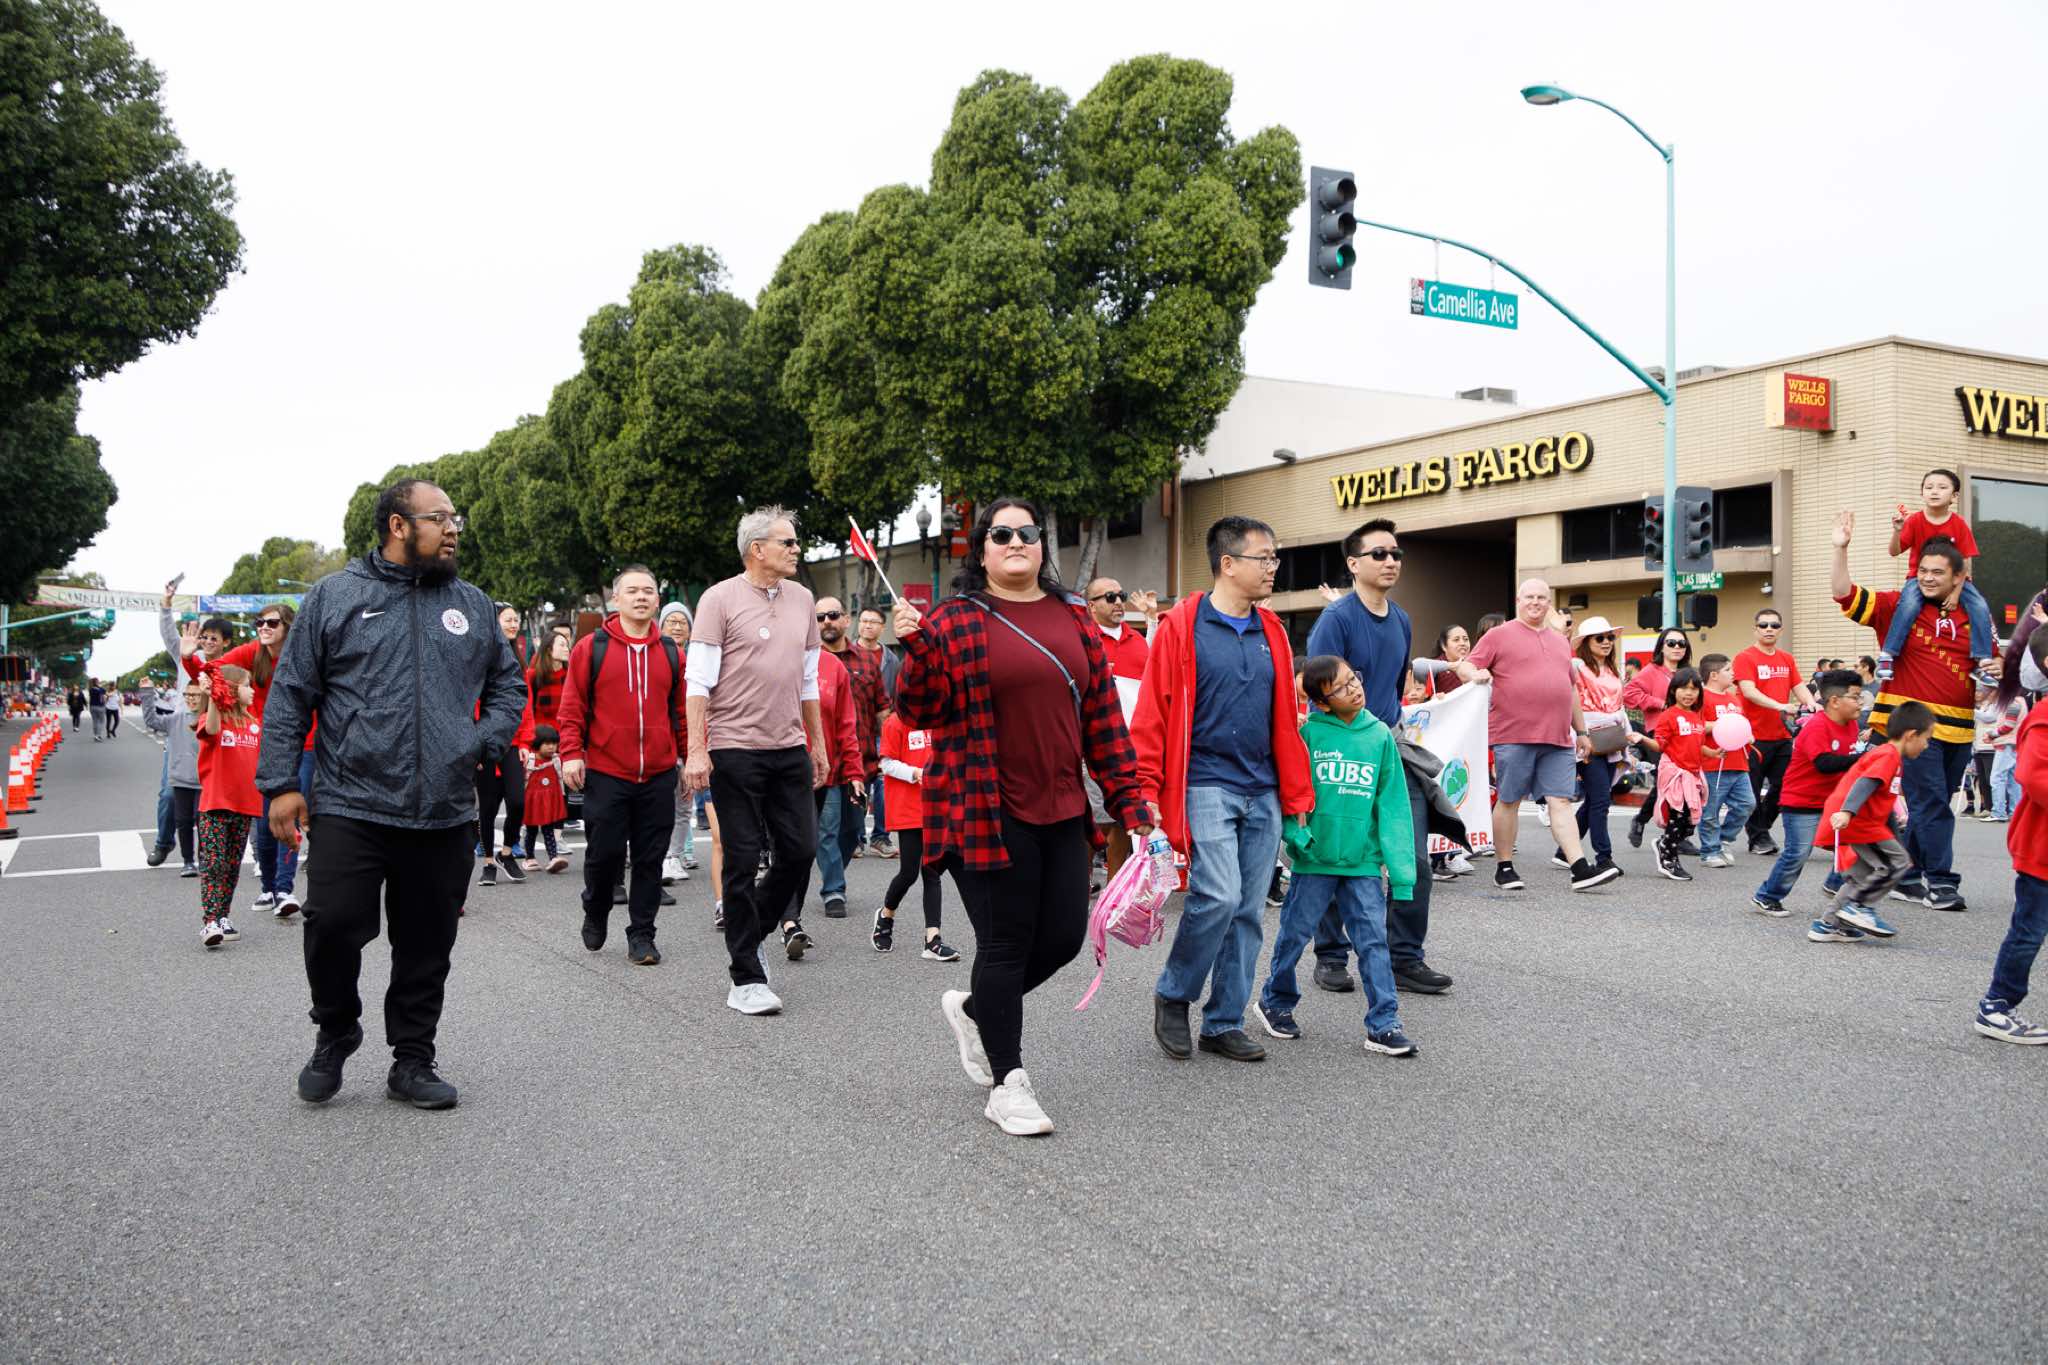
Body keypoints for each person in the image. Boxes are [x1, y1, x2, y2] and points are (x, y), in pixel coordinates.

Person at [261, 477, 527, 1110]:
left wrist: (479, 742)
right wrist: (280, 784)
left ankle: (412, 1059)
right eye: (440, 518)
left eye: (455, 518)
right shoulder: (335, 596)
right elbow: (292, 692)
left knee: (427, 944)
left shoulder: (472, 604)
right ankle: (336, 1028)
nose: (453, 529)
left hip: (442, 809)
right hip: (351, 801)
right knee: (331, 923)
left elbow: (508, 686)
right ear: (399, 526)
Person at [894, 497, 1151, 1134]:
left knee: (1064, 938)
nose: (1016, 541)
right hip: (982, 806)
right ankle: (1008, 1083)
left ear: (1042, 546)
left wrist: (1130, 801)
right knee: (1005, 943)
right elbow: (919, 710)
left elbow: (1103, 719)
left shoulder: (1073, 615)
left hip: (1062, 804)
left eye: (1027, 532)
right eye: (1001, 533)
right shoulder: (952, 619)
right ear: (981, 549)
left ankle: (977, 1009)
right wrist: (916, 649)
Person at [1135, 515, 1313, 1064]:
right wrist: (1144, 787)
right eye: (1265, 557)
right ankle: (1174, 994)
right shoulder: (1181, 626)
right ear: (1228, 563)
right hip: (1205, 782)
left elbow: (1285, 719)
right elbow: (1153, 710)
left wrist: (1296, 796)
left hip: (1264, 787)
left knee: (1248, 910)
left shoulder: (1272, 631)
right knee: (1218, 895)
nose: (1274, 567)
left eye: (1275, 557)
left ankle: (1223, 1021)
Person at [684, 506, 829, 1018]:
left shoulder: (804, 599)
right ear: (756, 549)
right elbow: (698, 681)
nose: (796, 550)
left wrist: (817, 744)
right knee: (742, 859)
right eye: (787, 542)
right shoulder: (718, 599)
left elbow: (809, 681)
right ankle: (745, 976)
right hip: (734, 748)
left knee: (801, 851)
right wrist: (697, 749)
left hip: (788, 748)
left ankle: (752, 933)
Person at [1304, 517, 1453, 996]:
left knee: (1412, 858)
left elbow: (1393, 687)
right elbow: (1318, 693)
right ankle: (1331, 956)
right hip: (1342, 753)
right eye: (1379, 554)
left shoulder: (1403, 619)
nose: (1391, 561)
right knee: (1338, 854)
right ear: (1353, 564)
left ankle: (1405, 957)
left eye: (1396, 554)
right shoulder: (1336, 620)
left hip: (1390, 746)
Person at [1253, 655, 1418, 1056]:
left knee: (1373, 942)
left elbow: (1393, 806)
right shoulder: (1309, 736)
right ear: (1322, 703)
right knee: (1293, 936)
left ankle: (1384, 1024)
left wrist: (1402, 874)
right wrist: (1297, 837)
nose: (1354, 689)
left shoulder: (1380, 736)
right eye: (1341, 688)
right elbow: (1291, 793)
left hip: (1363, 863)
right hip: (1314, 861)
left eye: (1353, 679)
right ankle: (1275, 1001)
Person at [1831, 509, 1987, 911]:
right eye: (1923, 571)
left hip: (1961, 727)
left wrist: (1997, 673)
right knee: (1931, 802)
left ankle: (1908, 875)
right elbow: (1844, 595)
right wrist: (1840, 550)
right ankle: (1942, 881)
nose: (1928, 578)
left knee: (1931, 804)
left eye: (1938, 572)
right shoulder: (1899, 605)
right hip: (1914, 729)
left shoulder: (1975, 614)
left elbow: (1990, 667)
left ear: (1959, 576)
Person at [557, 566, 685, 966]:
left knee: (650, 858)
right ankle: (596, 908)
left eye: (648, 591)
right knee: (604, 855)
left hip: (659, 773)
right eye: (632, 591)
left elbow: (682, 712)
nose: (641, 597)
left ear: (658, 600)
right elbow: (572, 706)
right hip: (607, 771)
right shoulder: (590, 648)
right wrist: (571, 753)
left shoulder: (671, 652)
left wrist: (690, 757)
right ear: (616, 599)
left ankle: (642, 935)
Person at [1456, 580, 1621, 893]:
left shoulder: (1560, 641)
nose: (1535, 602)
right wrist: (1475, 674)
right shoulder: (1499, 635)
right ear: (1518, 600)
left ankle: (1579, 869)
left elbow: (1570, 688)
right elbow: (1466, 666)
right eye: (1529, 597)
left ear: (1549, 604)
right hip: (1513, 734)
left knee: (1561, 800)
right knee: (1510, 800)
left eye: (1542, 598)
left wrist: (1581, 731)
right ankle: (1504, 867)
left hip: (1558, 737)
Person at [1974, 631, 2048, 1043]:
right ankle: (1996, 1006)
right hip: (2041, 850)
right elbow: (2033, 776)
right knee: (2029, 932)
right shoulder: (2042, 716)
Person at [1818, 701, 1937, 942]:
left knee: (1862, 876)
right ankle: (1859, 907)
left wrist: (1894, 836)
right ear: (1911, 735)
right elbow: (1865, 783)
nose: (1926, 745)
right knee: (1897, 863)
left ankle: (1828, 925)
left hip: (1860, 820)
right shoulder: (1888, 755)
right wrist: (1848, 812)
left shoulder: (1890, 756)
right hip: (1857, 820)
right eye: (1926, 739)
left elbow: (1883, 804)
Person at [1750, 668, 1862, 919]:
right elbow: (1824, 763)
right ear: (1835, 701)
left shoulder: (1852, 724)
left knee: (1853, 843)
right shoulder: (1817, 726)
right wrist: (1862, 759)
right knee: (1797, 853)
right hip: (1801, 801)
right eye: (1855, 697)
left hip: (1833, 800)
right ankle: (1767, 896)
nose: (1860, 703)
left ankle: (1836, 884)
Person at [1880, 469, 1998, 679]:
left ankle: (1982, 661)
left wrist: (1955, 593)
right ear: (1922, 493)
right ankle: (1888, 654)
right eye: (1929, 487)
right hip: (1919, 578)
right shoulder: (1915, 521)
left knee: (1979, 605)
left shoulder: (1959, 524)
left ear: (1954, 496)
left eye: (1942, 487)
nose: (1934, 491)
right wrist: (1897, 530)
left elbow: (1965, 562)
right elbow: (1894, 551)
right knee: (1909, 604)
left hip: (1955, 580)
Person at [871, 706, 960, 961]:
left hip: (936, 807)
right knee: (909, 873)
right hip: (908, 809)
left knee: (932, 871)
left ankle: (933, 940)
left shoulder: (938, 719)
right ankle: (886, 915)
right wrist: (915, 773)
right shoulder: (895, 722)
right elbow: (886, 764)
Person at [1084, 575, 1157, 881]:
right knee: (1094, 823)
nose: (1118, 602)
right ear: (1091, 606)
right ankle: (1080, 887)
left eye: (1121, 595)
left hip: (1130, 748)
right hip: (1092, 748)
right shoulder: (1083, 640)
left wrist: (1152, 619)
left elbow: (1156, 674)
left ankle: (1115, 892)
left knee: (1122, 822)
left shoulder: (1136, 640)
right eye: (1109, 597)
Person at [788, 642, 864, 926]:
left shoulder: (833, 666)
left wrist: (855, 771)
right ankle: (827, 892)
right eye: (818, 619)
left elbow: (846, 723)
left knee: (840, 831)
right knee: (803, 840)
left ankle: (831, 884)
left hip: (826, 769)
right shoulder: (776, 656)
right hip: (785, 771)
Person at [1735, 608, 1815, 857]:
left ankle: (1762, 828)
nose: (1769, 629)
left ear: (1781, 630)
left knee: (1786, 785)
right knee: (1753, 789)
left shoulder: (1786, 658)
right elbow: (1749, 691)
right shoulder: (1745, 658)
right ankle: (1758, 836)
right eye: (1763, 625)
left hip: (1782, 736)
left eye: (1774, 625)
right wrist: (1780, 705)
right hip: (1752, 736)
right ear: (1755, 629)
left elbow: (1798, 686)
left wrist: (1812, 704)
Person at [818, 594, 887, 880]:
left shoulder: (867, 661)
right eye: (820, 618)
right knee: (827, 829)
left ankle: (835, 870)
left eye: (833, 615)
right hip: (823, 762)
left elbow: (882, 709)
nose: (827, 622)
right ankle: (834, 888)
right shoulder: (807, 661)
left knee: (852, 830)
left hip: (861, 761)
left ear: (847, 620)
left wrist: (889, 752)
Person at [195, 665, 262, 948]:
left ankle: (223, 916)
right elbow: (210, 729)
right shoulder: (214, 719)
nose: (252, 690)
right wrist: (213, 697)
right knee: (215, 864)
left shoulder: (254, 723)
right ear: (233, 689)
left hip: (244, 806)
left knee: (233, 865)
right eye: (247, 685)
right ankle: (210, 921)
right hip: (215, 805)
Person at [1568, 616, 1631, 876]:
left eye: (1610, 637)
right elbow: (1571, 703)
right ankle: (1604, 857)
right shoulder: (1577, 666)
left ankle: (1564, 850)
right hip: (1587, 739)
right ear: (1586, 642)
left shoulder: (1614, 670)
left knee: (1596, 798)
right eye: (1600, 638)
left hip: (1612, 739)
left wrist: (1628, 735)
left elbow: (1620, 707)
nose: (1607, 642)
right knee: (1601, 800)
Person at [1624, 628, 1693, 849]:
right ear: (1661, 647)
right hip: (1659, 732)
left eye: (1681, 643)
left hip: (1686, 733)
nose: (1677, 647)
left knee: (1680, 782)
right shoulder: (1651, 671)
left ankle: (1646, 821)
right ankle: (1675, 836)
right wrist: (1660, 703)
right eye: (1671, 643)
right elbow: (1629, 694)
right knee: (1670, 781)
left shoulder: (1687, 672)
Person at [1644, 668, 1716, 883]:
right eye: (1684, 688)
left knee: (1689, 823)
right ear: (1673, 690)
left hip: (1693, 774)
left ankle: (1664, 843)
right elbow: (1660, 745)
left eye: (1694, 689)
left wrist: (1713, 753)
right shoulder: (1668, 715)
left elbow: (1698, 744)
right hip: (1676, 773)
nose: (1689, 693)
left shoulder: (1697, 716)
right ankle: (1669, 859)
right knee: (1678, 817)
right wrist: (1640, 739)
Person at [1696, 653, 1757, 868]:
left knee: (1747, 804)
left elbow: (1742, 724)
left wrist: (1747, 734)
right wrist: (1721, 725)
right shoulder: (1701, 698)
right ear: (1714, 675)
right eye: (1728, 670)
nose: (1733, 674)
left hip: (1739, 761)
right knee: (1710, 811)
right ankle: (1709, 851)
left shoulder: (1733, 699)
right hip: (1712, 763)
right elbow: (1696, 726)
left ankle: (1724, 839)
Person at [854, 605, 902, 851]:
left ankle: (881, 837)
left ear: (883, 627)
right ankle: (856, 838)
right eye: (864, 620)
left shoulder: (891, 660)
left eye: (873, 621)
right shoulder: (848, 655)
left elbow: (895, 694)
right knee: (857, 782)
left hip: (883, 731)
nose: (867, 625)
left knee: (883, 784)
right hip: (855, 731)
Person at [658, 601, 698, 885]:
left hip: (690, 738)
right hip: (661, 741)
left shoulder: (699, 659)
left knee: (684, 801)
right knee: (658, 804)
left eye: (682, 622)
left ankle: (675, 855)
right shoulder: (654, 657)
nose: (677, 626)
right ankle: (657, 854)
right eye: (671, 621)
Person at [521, 724, 570, 873]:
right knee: (531, 831)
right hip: (531, 802)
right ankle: (529, 858)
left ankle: (553, 858)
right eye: (547, 743)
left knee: (549, 830)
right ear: (537, 743)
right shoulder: (529, 760)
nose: (551, 747)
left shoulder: (557, 760)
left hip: (548, 801)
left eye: (554, 743)